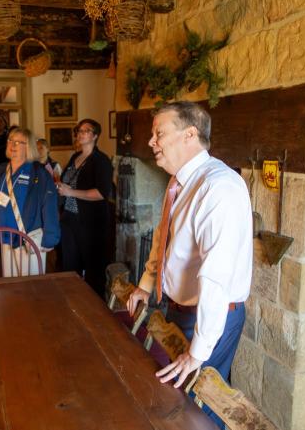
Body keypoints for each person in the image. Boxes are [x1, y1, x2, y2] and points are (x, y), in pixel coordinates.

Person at [126, 101, 253, 429]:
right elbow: (163, 238)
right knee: (180, 402)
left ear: (190, 134)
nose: (152, 141)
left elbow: (215, 276)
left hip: (214, 314)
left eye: (159, 133)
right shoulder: (179, 181)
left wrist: (197, 353)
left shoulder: (218, 186)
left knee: (201, 406)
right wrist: (146, 284)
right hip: (181, 309)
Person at [0, 128, 60, 276]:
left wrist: (50, 237)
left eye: (18, 142)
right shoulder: (0, 170)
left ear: (29, 146)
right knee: (10, 284)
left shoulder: (39, 173)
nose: (13, 145)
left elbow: (49, 205)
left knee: (31, 289)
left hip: (29, 239)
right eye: (10, 141)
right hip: (5, 238)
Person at [57, 118, 113, 298]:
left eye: (86, 130)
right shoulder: (75, 157)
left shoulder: (101, 161)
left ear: (95, 135)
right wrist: (60, 187)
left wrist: (71, 192)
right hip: (69, 219)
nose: (81, 134)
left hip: (90, 223)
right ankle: (72, 302)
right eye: (79, 131)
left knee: (93, 270)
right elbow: (67, 184)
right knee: (69, 266)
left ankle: (94, 309)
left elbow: (101, 193)